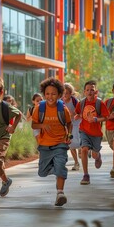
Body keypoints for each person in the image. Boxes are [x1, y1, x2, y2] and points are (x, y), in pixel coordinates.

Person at [31, 77, 72, 207]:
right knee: (42, 172)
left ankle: (60, 193)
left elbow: (69, 123)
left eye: (53, 94)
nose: (50, 96)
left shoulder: (62, 109)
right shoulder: (39, 108)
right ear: (44, 94)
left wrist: (69, 134)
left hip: (60, 143)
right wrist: (42, 126)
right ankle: (56, 169)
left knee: (61, 166)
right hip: (44, 145)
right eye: (47, 94)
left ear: (59, 95)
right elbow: (33, 125)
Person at [74, 80, 109, 185]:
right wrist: (77, 116)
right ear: (84, 92)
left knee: (94, 155)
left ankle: (98, 157)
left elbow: (106, 117)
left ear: (96, 92)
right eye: (87, 90)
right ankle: (86, 175)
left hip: (96, 134)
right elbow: (78, 114)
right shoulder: (81, 103)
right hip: (84, 131)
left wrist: (96, 120)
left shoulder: (99, 103)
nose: (90, 92)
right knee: (84, 149)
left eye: (92, 90)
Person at [62, 82, 81, 171]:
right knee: (70, 144)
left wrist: (73, 113)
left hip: (77, 123)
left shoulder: (74, 101)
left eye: (67, 93)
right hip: (68, 125)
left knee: (78, 142)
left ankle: (81, 149)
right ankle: (76, 162)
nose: (65, 95)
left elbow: (80, 111)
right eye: (64, 93)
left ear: (71, 93)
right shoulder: (61, 102)